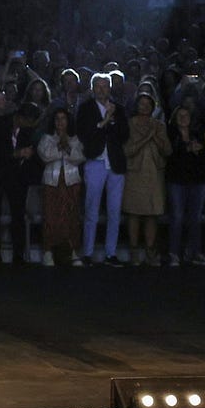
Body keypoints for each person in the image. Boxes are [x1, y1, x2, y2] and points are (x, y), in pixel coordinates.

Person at [76, 71, 130, 265]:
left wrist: (112, 119)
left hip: (115, 163)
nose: (101, 89)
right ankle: (88, 253)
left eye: (105, 86)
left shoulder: (119, 109)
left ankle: (110, 253)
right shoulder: (85, 109)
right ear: (92, 89)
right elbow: (84, 133)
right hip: (95, 162)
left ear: (110, 88)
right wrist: (103, 122)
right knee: (92, 210)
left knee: (114, 211)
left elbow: (124, 134)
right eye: (98, 86)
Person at [0, 99, 41, 264]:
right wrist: (16, 154)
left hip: (17, 176)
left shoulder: (28, 131)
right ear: (21, 117)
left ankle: (18, 254)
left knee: (18, 214)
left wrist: (27, 155)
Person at [122, 91, 171, 265]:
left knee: (152, 214)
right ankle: (134, 251)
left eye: (147, 104)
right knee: (134, 213)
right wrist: (146, 138)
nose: (144, 106)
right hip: (135, 173)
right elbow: (127, 151)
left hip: (154, 175)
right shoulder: (129, 125)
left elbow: (167, 151)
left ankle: (150, 251)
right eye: (141, 103)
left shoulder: (159, 125)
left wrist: (155, 137)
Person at [37, 107, 85, 266]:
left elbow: (79, 157)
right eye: (57, 119)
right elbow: (45, 155)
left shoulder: (75, 139)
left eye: (63, 118)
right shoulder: (47, 138)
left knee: (71, 217)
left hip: (71, 182)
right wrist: (60, 146)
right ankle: (48, 251)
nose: (60, 122)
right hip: (52, 183)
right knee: (51, 217)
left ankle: (73, 251)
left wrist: (68, 147)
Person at [164, 105, 205, 266]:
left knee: (195, 219)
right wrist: (187, 148)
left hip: (197, 181)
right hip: (176, 181)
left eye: (186, 115)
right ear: (175, 118)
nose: (183, 118)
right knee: (177, 218)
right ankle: (174, 253)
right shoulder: (170, 134)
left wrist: (197, 151)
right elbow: (169, 155)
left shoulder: (198, 134)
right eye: (180, 116)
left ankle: (194, 251)